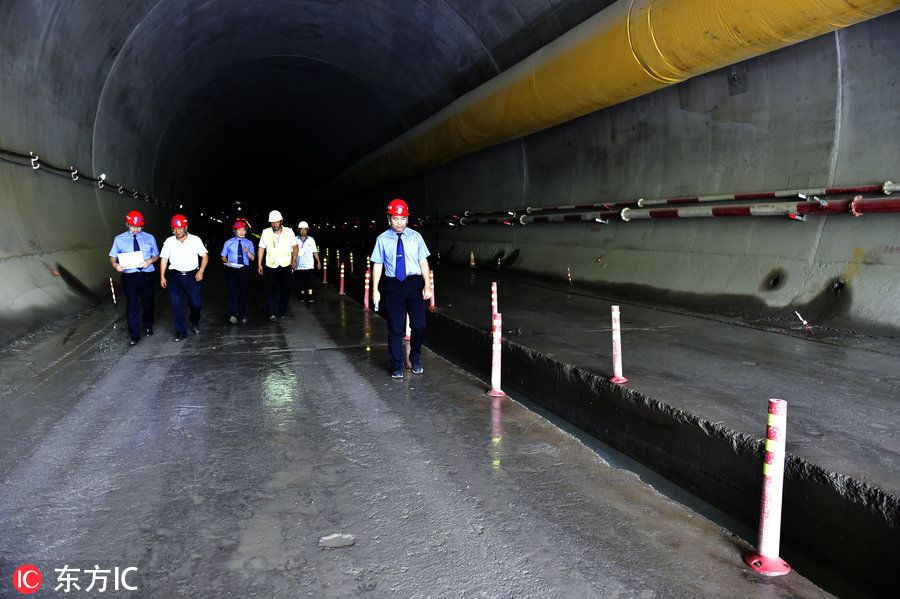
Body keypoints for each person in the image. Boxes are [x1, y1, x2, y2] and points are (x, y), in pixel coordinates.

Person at [371, 199, 433, 379]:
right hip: (394, 285)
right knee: (395, 328)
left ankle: (415, 359)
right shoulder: (382, 239)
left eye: (403, 218)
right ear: (389, 218)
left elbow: (423, 261)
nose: (399, 223)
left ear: (407, 218)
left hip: (414, 284)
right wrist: (375, 289)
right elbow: (377, 264)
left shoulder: (416, 237)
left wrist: (427, 284)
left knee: (419, 325)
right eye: (395, 219)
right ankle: (397, 364)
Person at [108, 210, 159, 346]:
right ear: (127, 224)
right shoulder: (119, 239)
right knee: (132, 304)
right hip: (130, 276)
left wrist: (149, 261)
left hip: (147, 274)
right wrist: (115, 264)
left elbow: (156, 255)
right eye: (133, 226)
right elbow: (113, 256)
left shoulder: (149, 238)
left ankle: (148, 325)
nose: (136, 229)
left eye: (139, 226)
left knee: (148, 302)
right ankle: (134, 335)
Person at [159, 214, 209, 341]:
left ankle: (194, 320)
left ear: (186, 227)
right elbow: (164, 259)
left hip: (192, 275)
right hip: (175, 276)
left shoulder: (195, 240)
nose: (177, 231)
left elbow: (205, 256)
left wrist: (201, 271)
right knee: (177, 305)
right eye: (175, 228)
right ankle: (181, 332)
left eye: (180, 228)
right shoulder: (169, 241)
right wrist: (162, 276)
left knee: (196, 304)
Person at [257, 210, 298, 320]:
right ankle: (273, 313)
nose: (274, 224)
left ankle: (282, 311)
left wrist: (294, 258)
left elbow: (295, 246)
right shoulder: (265, 232)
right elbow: (261, 248)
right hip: (271, 266)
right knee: (272, 290)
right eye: (272, 222)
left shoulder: (289, 231)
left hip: (286, 265)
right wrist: (259, 264)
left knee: (285, 290)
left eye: (276, 222)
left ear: (281, 221)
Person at [221, 219, 255, 323]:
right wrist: (227, 261)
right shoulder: (228, 242)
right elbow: (223, 256)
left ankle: (242, 314)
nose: (241, 232)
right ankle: (233, 314)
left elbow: (253, 258)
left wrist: (248, 252)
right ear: (235, 231)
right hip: (232, 269)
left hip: (244, 269)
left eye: (243, 230)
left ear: (245, 231)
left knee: (243, 292)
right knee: (233, 292)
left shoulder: (249, 243)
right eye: (239, 230)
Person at [294, 220, 321, 302]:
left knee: (310, 280)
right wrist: (292, 261)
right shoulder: (295, 239)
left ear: (307, 230)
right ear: (299, 230)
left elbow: (315, 251)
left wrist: (318, 262)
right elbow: (292, 252)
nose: (303, 231)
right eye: (301, 229)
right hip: (299, 265)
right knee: (300, 281)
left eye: (305, 229)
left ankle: (310, 296)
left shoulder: (311, 240)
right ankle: (302, 296)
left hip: (309, 264)